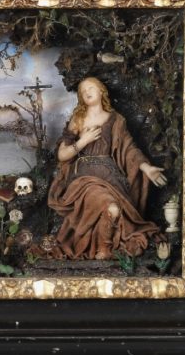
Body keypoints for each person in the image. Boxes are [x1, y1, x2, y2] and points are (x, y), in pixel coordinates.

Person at [47, 77, 167, 260]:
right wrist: (83, 141)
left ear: (101, 90)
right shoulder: (78, 120)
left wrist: (146, 168)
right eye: (82, 91)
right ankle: (104, 247)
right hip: (84, 178)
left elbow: (130, 149)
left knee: (115, 209)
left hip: (110, 177)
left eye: (91, 88)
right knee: (112, 207)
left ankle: (104, 248)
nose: (86, 92)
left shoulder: (116, 120)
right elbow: (62, 155)